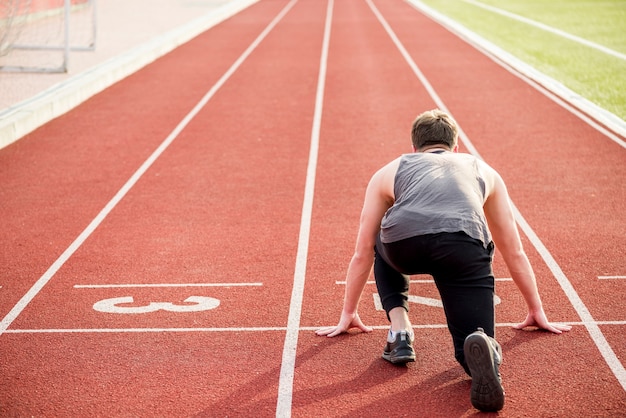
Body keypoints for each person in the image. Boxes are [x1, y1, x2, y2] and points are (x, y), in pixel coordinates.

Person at [315, 109, 571, 412]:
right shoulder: (482, 169)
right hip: (462, 247)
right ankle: (479, 347)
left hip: (402, 246)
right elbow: (513, 250)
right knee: (473, 340)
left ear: (413, 148)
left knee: (378, 236)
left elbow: (361, 251)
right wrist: (535, 309)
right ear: (456, 147)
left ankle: (400, 332)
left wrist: (348, 312)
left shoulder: (391, 169)